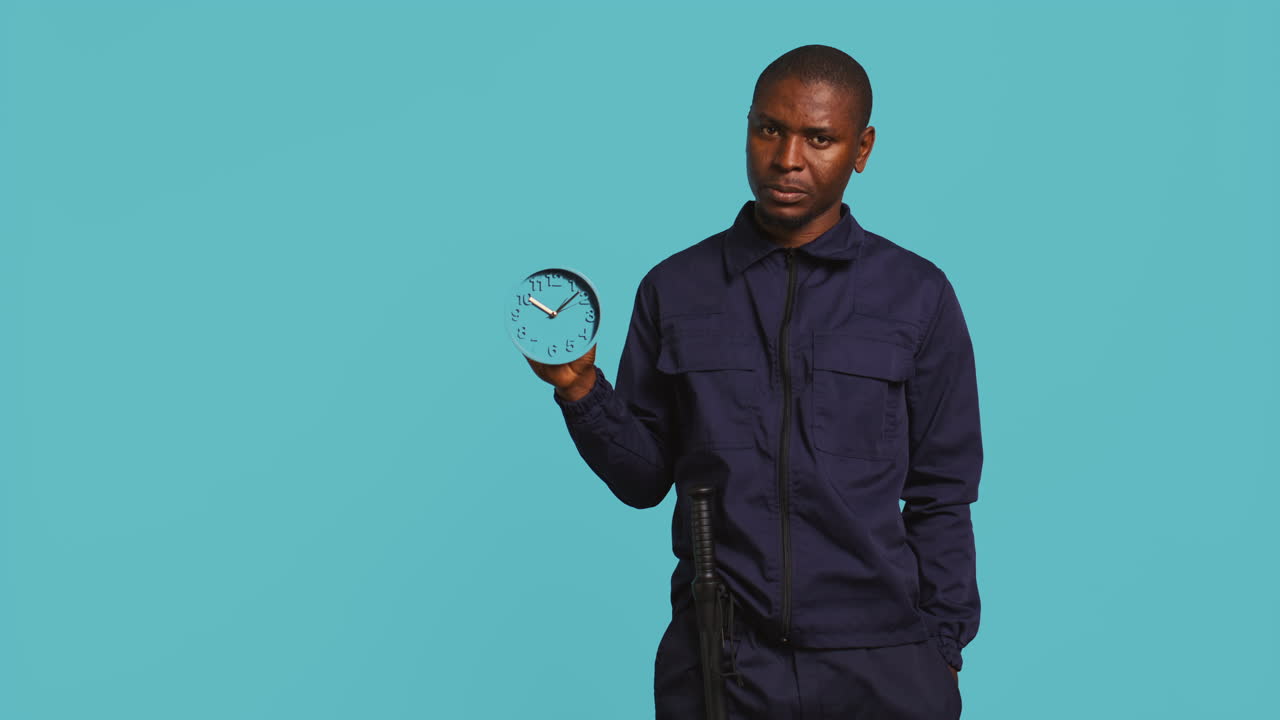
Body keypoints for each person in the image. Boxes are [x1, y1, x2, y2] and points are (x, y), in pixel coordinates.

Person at [525, 45, 981, 719]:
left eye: (819, 138)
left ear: (862, 148)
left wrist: (940, 652)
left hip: (881, 664)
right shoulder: (675, 288)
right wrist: (580, 390)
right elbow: (644, 479)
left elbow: (943, 490)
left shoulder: (917, 296)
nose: (787, 158)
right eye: (769, 129)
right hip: (723, 665)